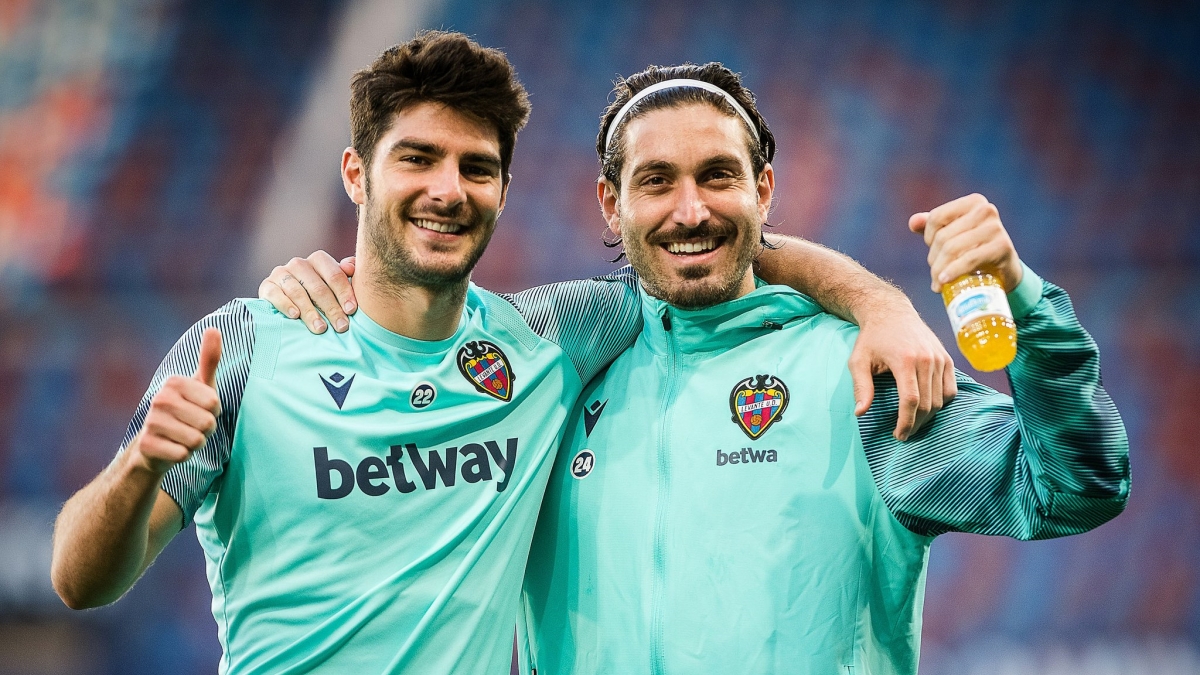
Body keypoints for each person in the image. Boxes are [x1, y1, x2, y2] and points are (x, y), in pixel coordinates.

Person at [50, 33, 951, 674]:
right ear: (357, 173)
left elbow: (703, 242)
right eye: (418, 159)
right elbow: (80, 581)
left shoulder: (549, 338)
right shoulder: (243, 346)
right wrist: (136, 467)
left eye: (476, 167)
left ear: (504, 188)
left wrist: (881, 302)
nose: (448, 189)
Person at [513, 66, 1130, 674]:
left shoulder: (860, 373)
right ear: (610, 203)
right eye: (656, 181)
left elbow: (1073, 489)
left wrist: (1020, 295)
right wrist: (869, 293)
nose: (691, 210)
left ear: (764, 189)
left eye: (718, 175)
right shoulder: (548, 372)